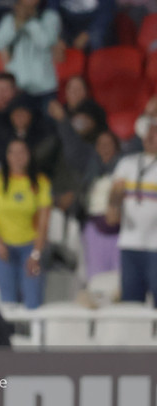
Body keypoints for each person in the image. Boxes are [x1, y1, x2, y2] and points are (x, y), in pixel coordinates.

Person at [0, 139, 51, 308]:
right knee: (8, 299)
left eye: (22, 152)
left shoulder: (41, 182)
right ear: (7, 156)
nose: (18, 157)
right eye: (13, 152)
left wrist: (36, 254)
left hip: (30, 245)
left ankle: (34, 334)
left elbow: (43, 223)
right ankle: (10, 335)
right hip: (2, 244)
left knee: (33, 299)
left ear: (29, 156)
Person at [107, 120, 157, 306]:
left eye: (155, 133)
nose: (151, 137)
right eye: (148, 133)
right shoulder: (127, 163)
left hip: (155, 245)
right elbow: (116, 192)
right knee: (131, 302)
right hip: (130, 242)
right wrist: (112, 208)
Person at [0, 0, 60, 110]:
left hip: (45, 87)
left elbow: (45, 42)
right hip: (18, 86)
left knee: (47, 125)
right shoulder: (10, 19)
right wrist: (15, 25)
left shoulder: (50, 16)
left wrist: (29, 21)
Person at [79, 130, 121, 280]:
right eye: (101, 144)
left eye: (109, 144)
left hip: (120, 231)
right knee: (96, 276)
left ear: (116, 146)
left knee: (119, 276)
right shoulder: (89, 170)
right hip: (95, 229)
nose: (105, 147)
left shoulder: (125, 168)